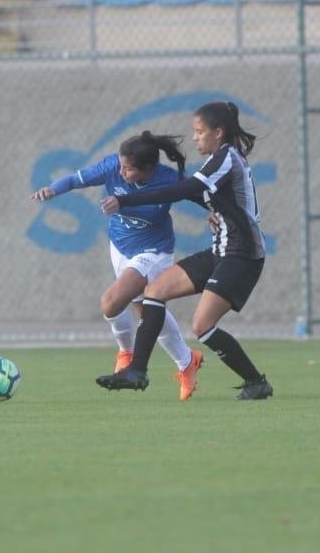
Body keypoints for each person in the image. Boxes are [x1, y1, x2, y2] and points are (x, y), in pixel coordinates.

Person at [96, 102, 271, 401]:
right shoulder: (218, 158)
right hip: (221, 249)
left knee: (202, 326)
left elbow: (184, 189)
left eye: (200, 132)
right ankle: (137, 372)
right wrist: (217, 210)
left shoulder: (227, 157)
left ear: (219, 132)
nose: (195, 138)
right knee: (154, 291)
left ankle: (256, 382)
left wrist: (127, 200)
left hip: (242, 254)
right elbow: (205, 194)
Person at [30, 132, 205, 401]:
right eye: (121, 165)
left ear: (148, 169)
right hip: (121, 248)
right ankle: (187, 362)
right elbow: (77, 179)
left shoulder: (168, 178)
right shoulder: (113, 166)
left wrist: (218, 211)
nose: (121, 171)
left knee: (111, 302)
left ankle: (127, 353)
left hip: (154, 251)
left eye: (128, 168)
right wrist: (53, 189)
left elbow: (199, 194)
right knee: (149, 311)